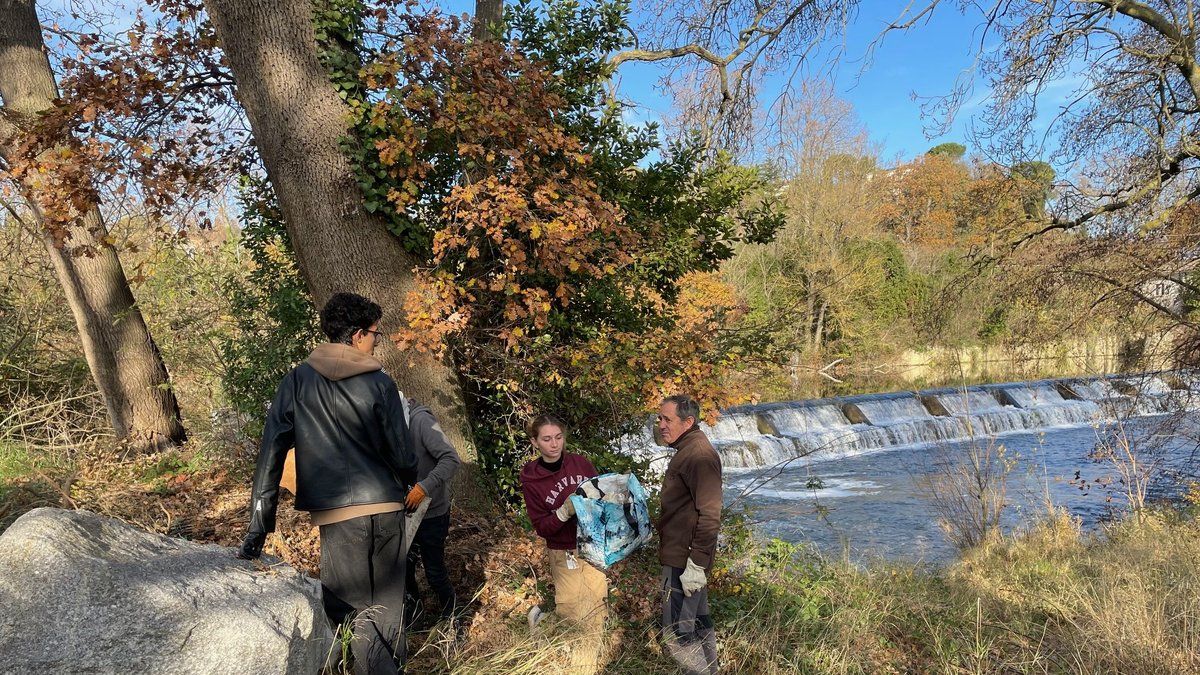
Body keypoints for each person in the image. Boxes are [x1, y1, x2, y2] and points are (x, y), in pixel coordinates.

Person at [236, 292, 416, 675]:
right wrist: (407, 481)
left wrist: (258, 527)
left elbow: (270, 453)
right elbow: (403, 455)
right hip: (385, 507)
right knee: (387, 609)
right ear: (356, 336)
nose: (376, 342)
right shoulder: (380, 383)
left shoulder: (297, 382)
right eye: (375, 334)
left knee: (350, 609)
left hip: (337, 514)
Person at [519, 414, 607, 629]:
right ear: (535, 442)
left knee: (598, 605)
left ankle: (591, 653)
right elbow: (542, 527)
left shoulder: (580, 464)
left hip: (592, 544)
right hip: (563, 550)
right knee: (571, 612)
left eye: (558, 437)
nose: (554, 444)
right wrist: (563, 512)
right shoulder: (532, 479)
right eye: (547, 439)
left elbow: (601, 498)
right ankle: (541, 625)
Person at [656, 394, 722, 675]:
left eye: (666, 419)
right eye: (659, 418)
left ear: (688, 421)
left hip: (685, 562)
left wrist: (696, 564)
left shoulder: (699, 455)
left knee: (680, 633)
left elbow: (710, 514)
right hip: (683, 556)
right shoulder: (689, 449)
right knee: (698, 623)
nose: (660, 424)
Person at [402, 396, 462, 626]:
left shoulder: (420, 421)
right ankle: (416, 621)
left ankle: (452, 620)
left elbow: (451, 459)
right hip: (403, 512)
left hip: (432, 513)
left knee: (434, 571)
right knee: (403, 569)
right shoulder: (383, 422)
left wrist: (424, 487)